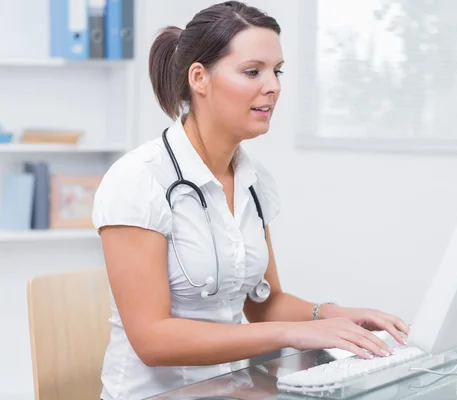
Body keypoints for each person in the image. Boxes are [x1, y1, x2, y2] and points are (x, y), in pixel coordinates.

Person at [92, 2, 409, 399]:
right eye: (252, 71)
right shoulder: (138, 180)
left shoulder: (253, 180)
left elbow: (263, 302)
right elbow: (152, 340)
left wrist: (330, 314)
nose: (273, 85)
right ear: (199, 78)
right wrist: (297, 333)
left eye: (277, 71)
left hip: (231, 389)